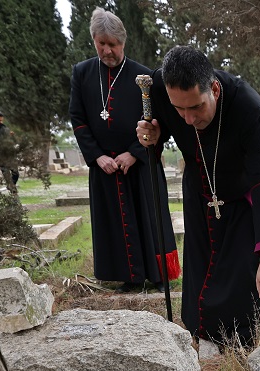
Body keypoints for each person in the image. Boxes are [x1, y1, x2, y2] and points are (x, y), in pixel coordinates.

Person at [137, 46, 260, 347]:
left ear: (215, 90)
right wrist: (151, 136)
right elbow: (156, 128)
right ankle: (199, 332)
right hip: (198, 191)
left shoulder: (248, 106)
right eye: (180, 110)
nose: (188, 118)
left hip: (240, 195)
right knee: (200, 270)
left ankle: (242, 341)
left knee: (241, 276)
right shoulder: (159, 89)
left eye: (196, 107)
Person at [69, 8, 179, 292]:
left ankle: (158, 277)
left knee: (150, 219)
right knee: (114, 225)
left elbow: (159, 123)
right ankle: (129, 278)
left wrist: (134, 153)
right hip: (104, 167)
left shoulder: (144, 76)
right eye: (101, 43)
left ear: (123, 42)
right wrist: (97, 156)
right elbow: (78, 119)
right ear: (94, 40)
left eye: (113, 44)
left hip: (140, 163)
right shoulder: (82, 73)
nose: (107, 50)